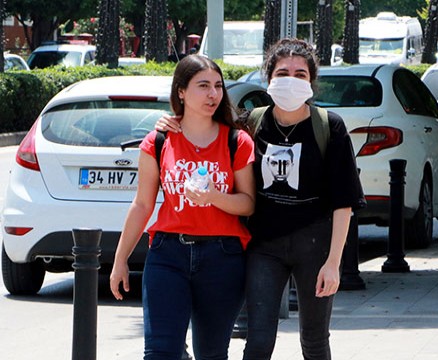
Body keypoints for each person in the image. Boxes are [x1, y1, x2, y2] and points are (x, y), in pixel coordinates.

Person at [156, 38, 365, 360]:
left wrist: (334, 264)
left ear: (311, 81)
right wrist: (170, 122)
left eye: (300, 74)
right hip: (264, 246)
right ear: (268, 78)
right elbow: (206, 123)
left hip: (316, 246)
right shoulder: (252, 122)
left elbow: (344, 202)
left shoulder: (329, 126)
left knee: (314, 340)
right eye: (283, 73)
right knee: (258, 340)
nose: (291, 81)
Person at [110, 54, 256, 360]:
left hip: (223, 257)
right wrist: (120, 259)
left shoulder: (236, 140)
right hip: (167, 254)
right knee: (160, 353)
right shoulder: (158, 141)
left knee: (211, 354)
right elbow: (142, 204)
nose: (213, 94)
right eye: (202, 86)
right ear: (181, 91)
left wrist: (215, 196)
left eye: (217, 86)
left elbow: (248, 204)